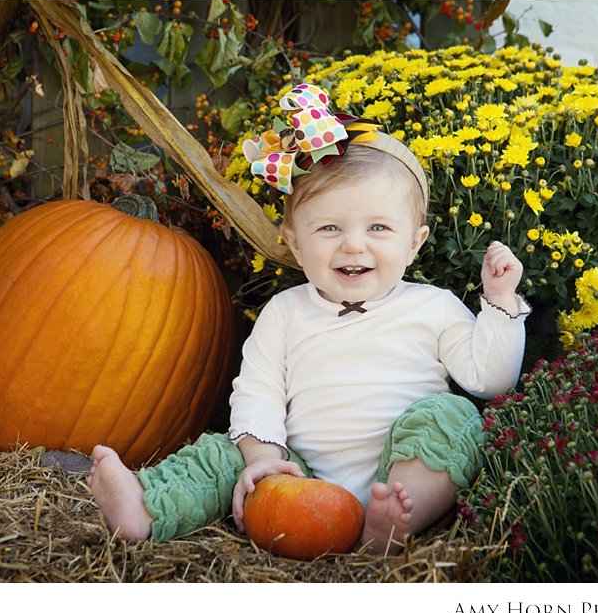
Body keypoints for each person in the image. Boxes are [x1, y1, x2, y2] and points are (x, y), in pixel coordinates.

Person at [88, 84, 530, 555]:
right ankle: (146, 507)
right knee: (219, 453)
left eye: (378, 228)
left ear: (415, 242)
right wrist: (263, 460)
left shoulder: (434, 306)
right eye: (328, 228)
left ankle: (394, 522)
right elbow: (258, 392)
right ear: (296, 243)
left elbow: (490, 380)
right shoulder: (286, 312)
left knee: (453, 418)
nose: (354, 245)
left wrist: (500, 302)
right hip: (297, 479)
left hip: (394, 475)